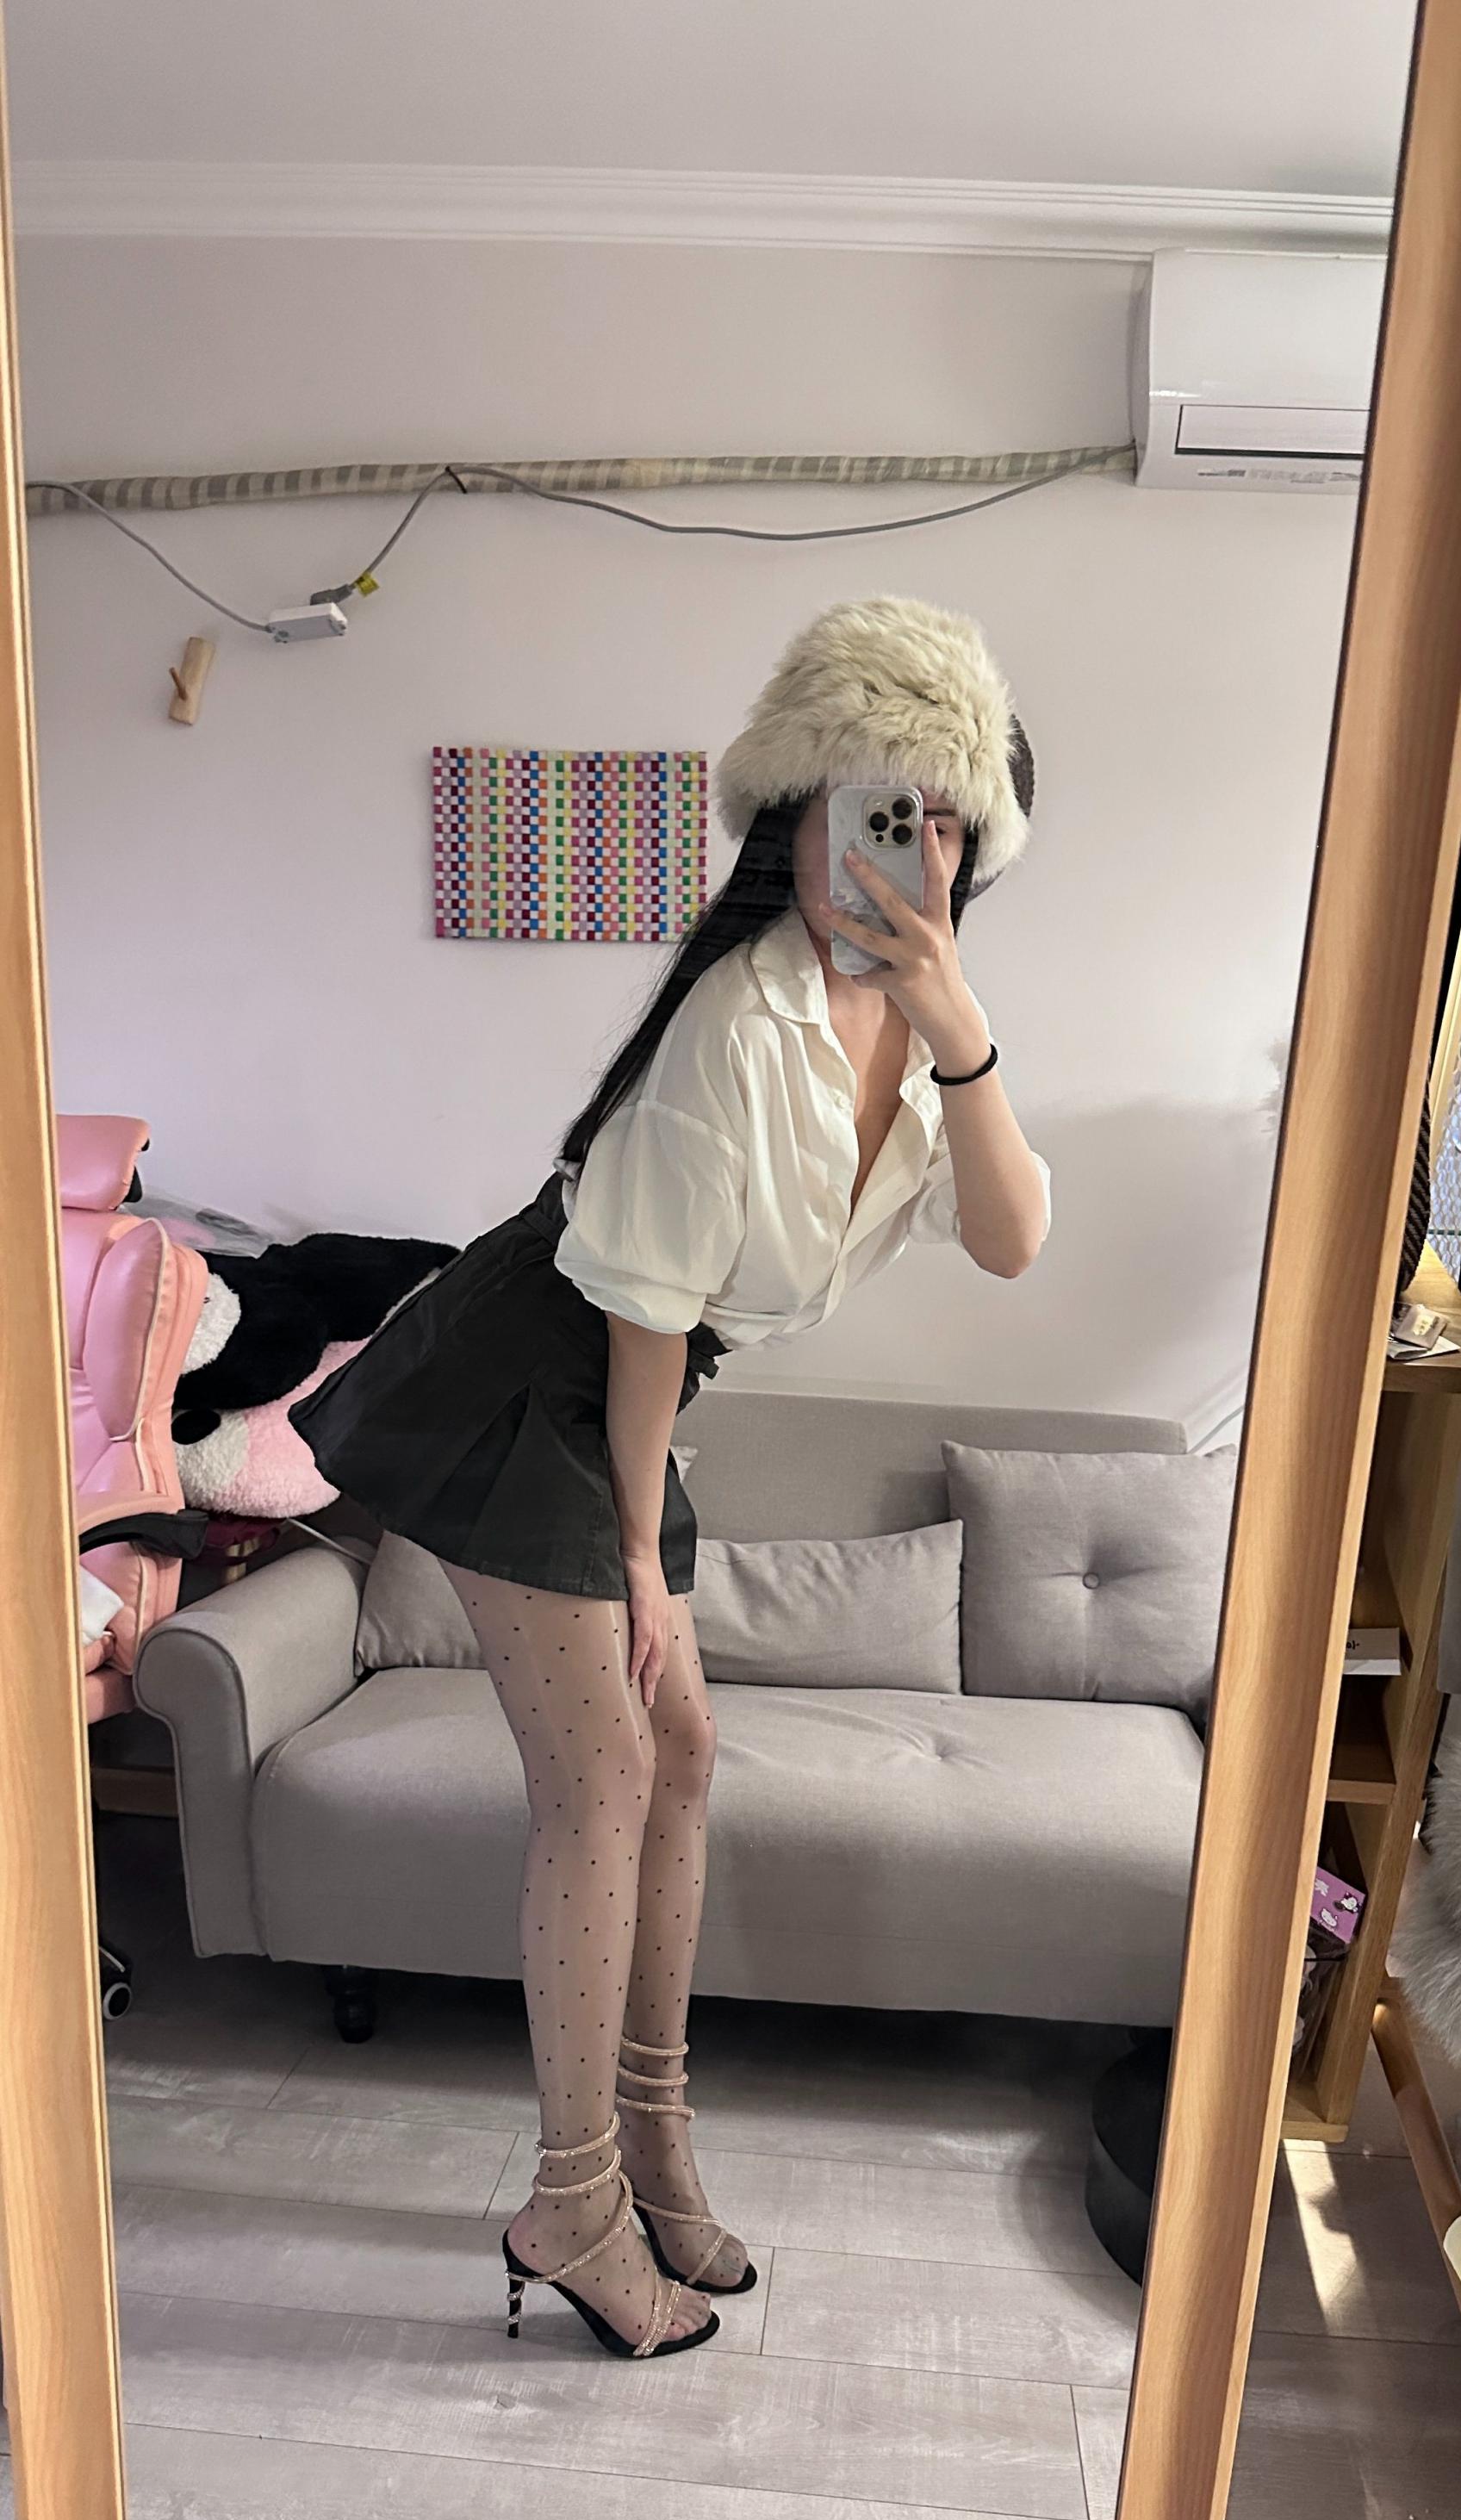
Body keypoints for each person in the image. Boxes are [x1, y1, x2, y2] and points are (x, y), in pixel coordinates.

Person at [292, 595, 1051, 2359]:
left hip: (626, 1386)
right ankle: (569, 2200)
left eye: (942, 819)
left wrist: (958, 1020)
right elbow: (637, 1315)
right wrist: (640, 1552)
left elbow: (1013, 1236)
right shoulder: (738, 1016)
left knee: (680, 1754)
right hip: (534, 1371)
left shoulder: (907, 1025)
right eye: (874, 806)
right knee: (611, 1770)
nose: (908, 849)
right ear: (796, 811)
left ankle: (650, 2143)